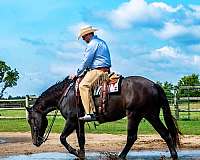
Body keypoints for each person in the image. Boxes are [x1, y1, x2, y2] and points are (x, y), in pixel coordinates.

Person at [76, 26, 111, 121]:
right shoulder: (101, 42)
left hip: (98, 70)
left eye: (84, 36)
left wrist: (78, 73)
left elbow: (86, 61)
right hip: (105, 69)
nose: (83, 39)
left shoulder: (92, 44)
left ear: (89, 34)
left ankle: (90, 113)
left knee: (83, 85)